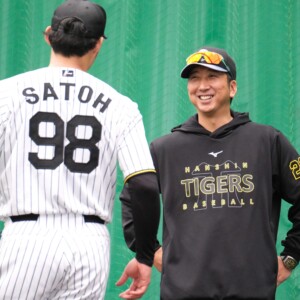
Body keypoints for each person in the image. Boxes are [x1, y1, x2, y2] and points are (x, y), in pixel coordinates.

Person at [0, 1, 160, 299]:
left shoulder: (6, 95)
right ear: (98, 44)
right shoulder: (120, 105)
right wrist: (145, 255)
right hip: (90, 243)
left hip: (26, 237)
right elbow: (145, 186)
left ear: (49, 35)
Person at [120, 46, 300, 299]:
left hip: (252, 291)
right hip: (183, 292)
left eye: (212, 77)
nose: (202, 86)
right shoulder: (164, 149)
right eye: (195, 79)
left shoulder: (267, 141)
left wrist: (290, 257)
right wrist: (152, 252)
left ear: (233, 87)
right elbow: (132, 199)